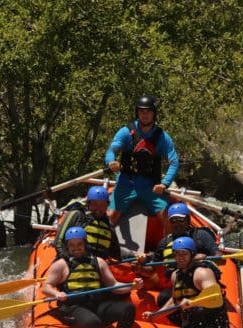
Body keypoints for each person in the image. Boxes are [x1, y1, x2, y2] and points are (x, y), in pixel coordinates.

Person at [42, 227, 143, 328]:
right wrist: (56, 294)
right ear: (67, 246)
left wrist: (132, 286)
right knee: (93, 323)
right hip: (73, 307)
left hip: (96, 305)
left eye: (79, 244)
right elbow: (46, 287)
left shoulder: (99, 262)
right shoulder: (61, 265)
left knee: (128, 309)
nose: (76, 248)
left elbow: (113, 285)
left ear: (85, 244)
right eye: (72, 244)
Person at [104, 95, 180, 229]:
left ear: (154, 113)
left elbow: (174, 162)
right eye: (141, 111)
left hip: (150, 187)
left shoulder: (162, 137)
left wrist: (164, 183)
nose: (145, 115)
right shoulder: (126, 132)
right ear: (137, 112)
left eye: (148, 111)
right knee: (110, 216)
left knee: (167, 217)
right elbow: (112, 150)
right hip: (126, 184)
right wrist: (111, 162)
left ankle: (167, 247)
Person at [142, 236, 228, 328]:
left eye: (184, 254)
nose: (180, 258)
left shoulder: (202, 273)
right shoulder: (175, 275)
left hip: (213, 326)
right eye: (177, 254)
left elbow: (215, 297)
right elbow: (174, 300)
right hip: (194, 325)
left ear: (192, 255)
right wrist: (155, 315)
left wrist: (194, 302)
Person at [136, 202, 221, 304]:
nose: (177, 224)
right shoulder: (165, 242)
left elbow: (220, 259)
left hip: (200, 282)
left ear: (188, 220)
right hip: (180, 285)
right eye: (173, 220)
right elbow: (152, 268)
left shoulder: (201, 235)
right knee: (163, 298)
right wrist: (140, 267)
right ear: (169, 222)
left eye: (181, 220)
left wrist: (205, 257)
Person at [54, 185, 133, 261]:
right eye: (95, 204)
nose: (98, 208)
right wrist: (70, 262)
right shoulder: (77, 215)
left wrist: (133, 254)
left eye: (102, 205)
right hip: (74, 265)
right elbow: (58, 242)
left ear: (107, 206)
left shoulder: (109, 225)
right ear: (88, 204)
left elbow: (115, 252)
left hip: (95, 269)